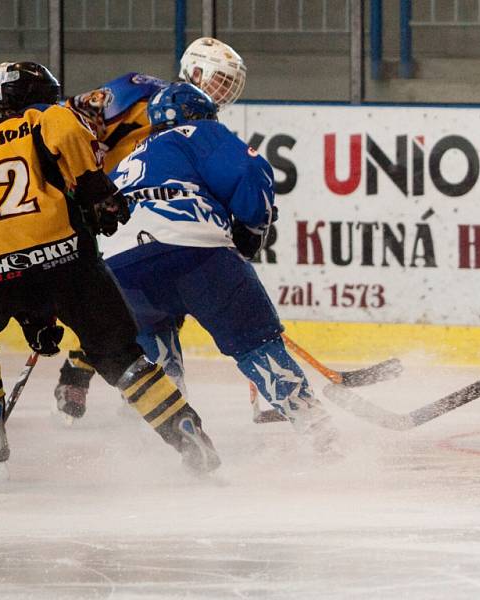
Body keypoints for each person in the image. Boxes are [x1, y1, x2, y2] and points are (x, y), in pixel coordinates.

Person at [0, 61, 220, 475]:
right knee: (121, 356)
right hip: (66, 259)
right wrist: (98, 192)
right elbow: (69, 138)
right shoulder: (47, 116)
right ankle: (187, 433)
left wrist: (33, 316)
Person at [96, 82, 337, 450]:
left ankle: (172, 435)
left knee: (154, 355)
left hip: (119, 267)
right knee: (256, 344)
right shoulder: (200, 132)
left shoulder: (128, 160)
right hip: (193, 252)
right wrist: (252, 229)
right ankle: (318, 431)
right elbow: (249, 169)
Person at [54, 37, 247, 419]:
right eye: (219, 80)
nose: (224, 91)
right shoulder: (138, 90)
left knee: (137, 304)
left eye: (230, 85)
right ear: (193, 71)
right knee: (101, 296)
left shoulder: (206, 126)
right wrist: (78, 178)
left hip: (145, 222)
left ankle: (120, 383)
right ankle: (75, 375)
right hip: (96, 206)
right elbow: (65, 120)